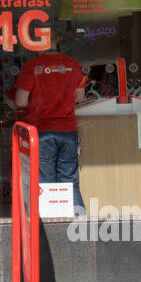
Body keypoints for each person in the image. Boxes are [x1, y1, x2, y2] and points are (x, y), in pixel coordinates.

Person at [11, 40, 89, 216]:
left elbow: (20, 101)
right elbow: (80, 97)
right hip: (68, 130)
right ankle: (81, 229)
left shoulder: (32, 66)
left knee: (44, 182)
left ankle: (50, 230)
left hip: (41, 131)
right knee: (70, 182)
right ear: (58, 43)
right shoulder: (72, 64)